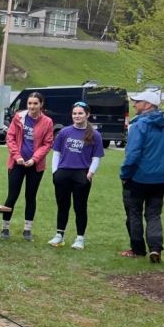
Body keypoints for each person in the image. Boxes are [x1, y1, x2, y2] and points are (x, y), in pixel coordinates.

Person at [119, 88, 164, 262]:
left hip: (138, 177)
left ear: (147, 105)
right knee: (154, 214)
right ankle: (155, 248)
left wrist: (125, 174)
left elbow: (133, 154)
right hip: (160, 179)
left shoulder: (139, 125)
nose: (134, 105)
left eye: (137, 102)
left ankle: (137, 249)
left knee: (134, 212)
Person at [48, 102, 105, 250]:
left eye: (80, 113)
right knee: (63, 206)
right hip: (63, 173)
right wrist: (55, 172)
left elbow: (96, 157)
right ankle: (59, 235)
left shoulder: (95, 135)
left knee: (80, 207)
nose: (77, 116)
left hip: (82, 174)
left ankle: (80, 238)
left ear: (87, 114)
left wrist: (90, 174)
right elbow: (56, 152)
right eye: (74, 113)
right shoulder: (65, 132)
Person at [1, 92, 54, 241]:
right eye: (30, 103)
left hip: (35, 166)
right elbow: (10, 137)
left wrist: (34, 159)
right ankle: (5, 227)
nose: (32, 106)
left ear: (41, 105)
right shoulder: (19, 117)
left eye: (35, 103)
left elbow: (47, 143)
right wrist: (17, 156)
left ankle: (27, 230)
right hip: (16, 163)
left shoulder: (48, 122)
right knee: (12, 195)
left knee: (30, 197)